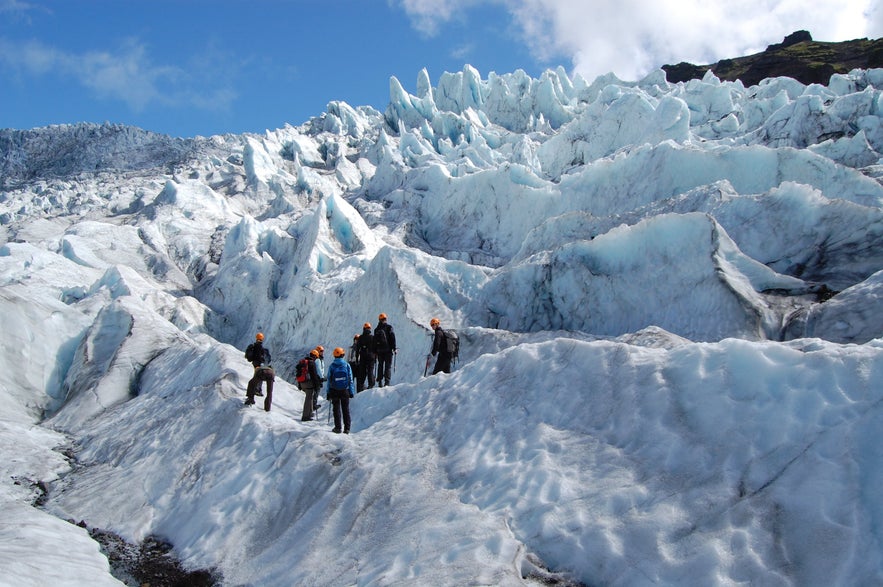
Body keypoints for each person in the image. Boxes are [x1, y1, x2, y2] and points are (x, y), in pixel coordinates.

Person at [325, 347, 355, 433]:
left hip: (334, 390)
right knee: (346, 409)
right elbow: (350, 379)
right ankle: (347, 428)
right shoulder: (346, 365)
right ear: (343, 355)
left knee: (336, 409)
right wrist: (351, 391)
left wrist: (328, 392)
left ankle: (338, 428)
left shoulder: (332, 366)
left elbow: (329, 380)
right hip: (345, 390)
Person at [245, 332, 272, 404]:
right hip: (259, 364)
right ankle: (257, 389)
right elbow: (262, 357)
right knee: (259, 376)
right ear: (262, 339)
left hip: (254, 363)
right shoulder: (261, 347)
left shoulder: (254, 346)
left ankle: (256, 389)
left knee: (256, 375)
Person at [298, 349, 322, 421]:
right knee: (309, 398)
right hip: (308, 383)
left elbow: (298, 373)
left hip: (302, 383)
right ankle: (305, 416)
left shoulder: (303, 362)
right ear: (315, 357)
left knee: (310, 397)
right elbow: (314, 375)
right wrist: (316, 385)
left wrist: (299, 385)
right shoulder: (311, 363)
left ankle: (310, 413)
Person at [374, 313, 397, 387]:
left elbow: (374, 341)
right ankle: (387, 382)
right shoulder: (389, 327)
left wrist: (375, 352)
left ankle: (380, 381)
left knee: (380, 365)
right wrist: (394, 348)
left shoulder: (376, 329)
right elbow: (392, 338)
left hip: (380, 351)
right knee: (388, 366)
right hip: (388, 350)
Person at [356, 322, 376, 390]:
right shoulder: (372, 337)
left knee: (363, 371)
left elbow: (357, 348)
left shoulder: (360, 338)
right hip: (371, 355)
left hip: (363, 356)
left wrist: (356, 358)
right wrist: (376, 356)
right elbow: (375, 348)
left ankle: (361, 385)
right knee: (370, 370)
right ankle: (371, 384)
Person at [313, 345, 326, 411]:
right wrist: (322, 377)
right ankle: (313, 405)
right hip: (318, 378)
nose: (322, 352)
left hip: (318, 378)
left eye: (322, 351)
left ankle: (313, 404)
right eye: (321, 351)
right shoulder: (318, 360)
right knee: (316, 391)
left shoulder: (320, 359)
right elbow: (319, 369)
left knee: (316, 391)